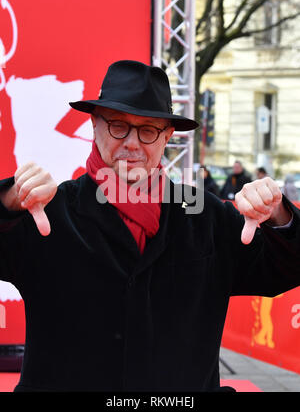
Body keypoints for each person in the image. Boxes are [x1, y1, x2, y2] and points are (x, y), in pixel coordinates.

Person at [0, 60, 299, 393]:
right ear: (94, 125)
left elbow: (286, 267)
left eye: (147, 130)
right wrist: (7, 201)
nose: (132, 142)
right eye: (118, 125)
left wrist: (278, 215)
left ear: (166, 136)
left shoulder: (206, 217)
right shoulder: (49, 213)